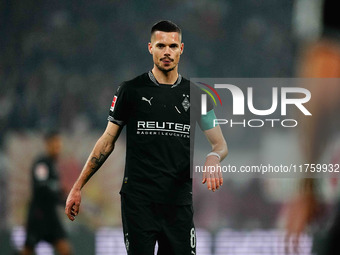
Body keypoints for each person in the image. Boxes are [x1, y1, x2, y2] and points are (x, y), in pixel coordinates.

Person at [65, 20, 228, 255]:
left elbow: (220, 144)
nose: (167, 52)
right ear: (150, 48)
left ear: (181, 49)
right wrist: (78, 186)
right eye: (161, 46)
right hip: (139, 203)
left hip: (178, 204)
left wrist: (214, 156)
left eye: (173, 46)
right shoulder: (130, 91)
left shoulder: (198, 96)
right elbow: (107, 141)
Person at [21, 131, 72, 255]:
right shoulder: (41, 163)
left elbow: (53, 189)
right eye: (55, 144)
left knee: (65, 248)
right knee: (28, 250)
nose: (58, 148)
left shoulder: (53, 165)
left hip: (50, 215)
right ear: (48, 144)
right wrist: (59, 196)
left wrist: (63, 197)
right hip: (38, 215)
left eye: (59, 145)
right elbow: (41, 187)